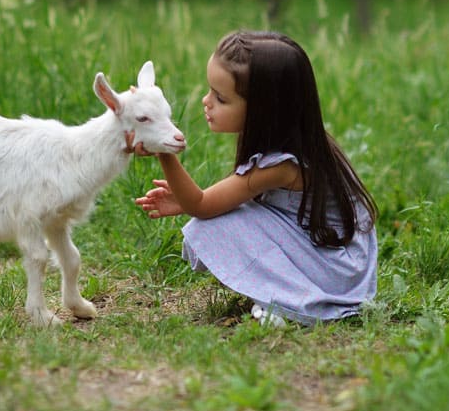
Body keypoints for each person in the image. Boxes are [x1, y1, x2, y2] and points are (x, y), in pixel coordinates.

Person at [130, 30, 378, 327]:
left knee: (212, 226)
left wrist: (163, 151)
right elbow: (221, 201)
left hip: (334, 269)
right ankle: (282, 293)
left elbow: (203, 206)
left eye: (221, 98)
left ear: (263, 111)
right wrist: (186, 201)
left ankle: (288, 303)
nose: (206, 101)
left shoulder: (282, 166)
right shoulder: (299, 143)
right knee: (225, 220)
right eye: (210, 91)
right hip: (330, 251)